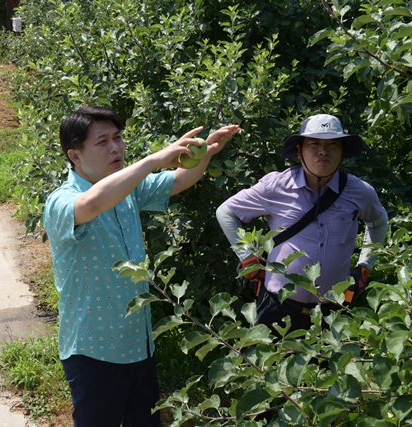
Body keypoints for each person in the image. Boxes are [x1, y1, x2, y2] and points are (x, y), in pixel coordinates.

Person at [43, 105, 240, 426]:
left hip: (138, 344)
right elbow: (92, 203)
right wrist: (152, 160)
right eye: (102, 141)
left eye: (118, 138)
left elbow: (178, 180)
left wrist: (205, 153)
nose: (115, 147)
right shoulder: (61, 201)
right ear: (75, 156)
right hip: (93, 351)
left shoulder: (128, 190)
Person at [216, 113, 389, 335]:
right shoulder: (275, 186)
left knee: (334, 369)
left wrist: (365, 267)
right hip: (278, 308)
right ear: (299, 151)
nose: (323, 151)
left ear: (343, 151)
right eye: (314, 144)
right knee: (269, 368)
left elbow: (378, 222)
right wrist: (247, 258)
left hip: (334, 312)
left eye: (333, 145)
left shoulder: (359, 191)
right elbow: (226, 212)